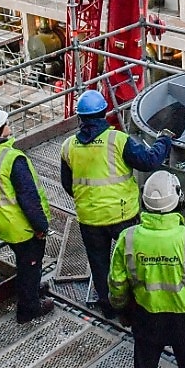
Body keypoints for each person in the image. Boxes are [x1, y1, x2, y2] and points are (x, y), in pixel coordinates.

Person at [61, 89, 174, 318]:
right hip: (123, 216)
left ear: (80, 118)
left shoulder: (68, 146)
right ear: (104, 113)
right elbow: (150, 161)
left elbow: (67, 184)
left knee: (99, 264)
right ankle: (136, 307)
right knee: (133, 263)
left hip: (90, 218)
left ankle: (109, 307)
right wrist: (165, 139)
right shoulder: (118, 140)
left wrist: (90, 201)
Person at [109, 171, 185, 368]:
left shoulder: (128, 238)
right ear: (178, 200)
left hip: (146, 318)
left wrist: (121, 310)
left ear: (144, 201)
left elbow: (117, 283)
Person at [0, 106, 55, 324]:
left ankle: (32, 290)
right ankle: (29, 308)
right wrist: (41, 226)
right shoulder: (12, 159)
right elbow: (29, 198)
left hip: (0, 222)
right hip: (22, 226)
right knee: (30, 265)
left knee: (26, 263)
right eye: (5, 124)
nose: (9, 126)